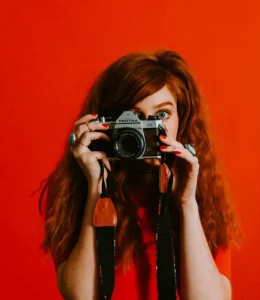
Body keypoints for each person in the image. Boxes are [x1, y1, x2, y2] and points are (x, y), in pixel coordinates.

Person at [39, 49, 241, 300]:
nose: (146, 130)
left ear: (182, 118)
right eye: (133, 118)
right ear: (105, 122)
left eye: (162, 115)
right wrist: (96, 188)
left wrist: (186, 204)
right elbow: (81, 296)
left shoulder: (203, 190)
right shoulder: (72, 188)